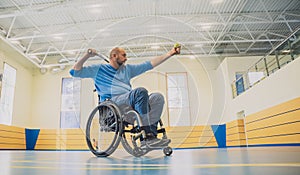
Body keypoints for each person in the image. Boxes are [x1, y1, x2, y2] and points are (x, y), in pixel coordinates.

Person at [70, 45, 181, 147]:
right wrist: (87, 55)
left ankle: (151, 133)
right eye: (124, 55)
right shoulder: (99, 69)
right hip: (112, 102)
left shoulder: (127, 69)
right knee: (140, 92)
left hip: (130, 100)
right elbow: (74, 72)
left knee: (158, 97)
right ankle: (146, 136)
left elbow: (150, 64)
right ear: (114, 56)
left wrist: (170, 53)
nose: (126, 58)